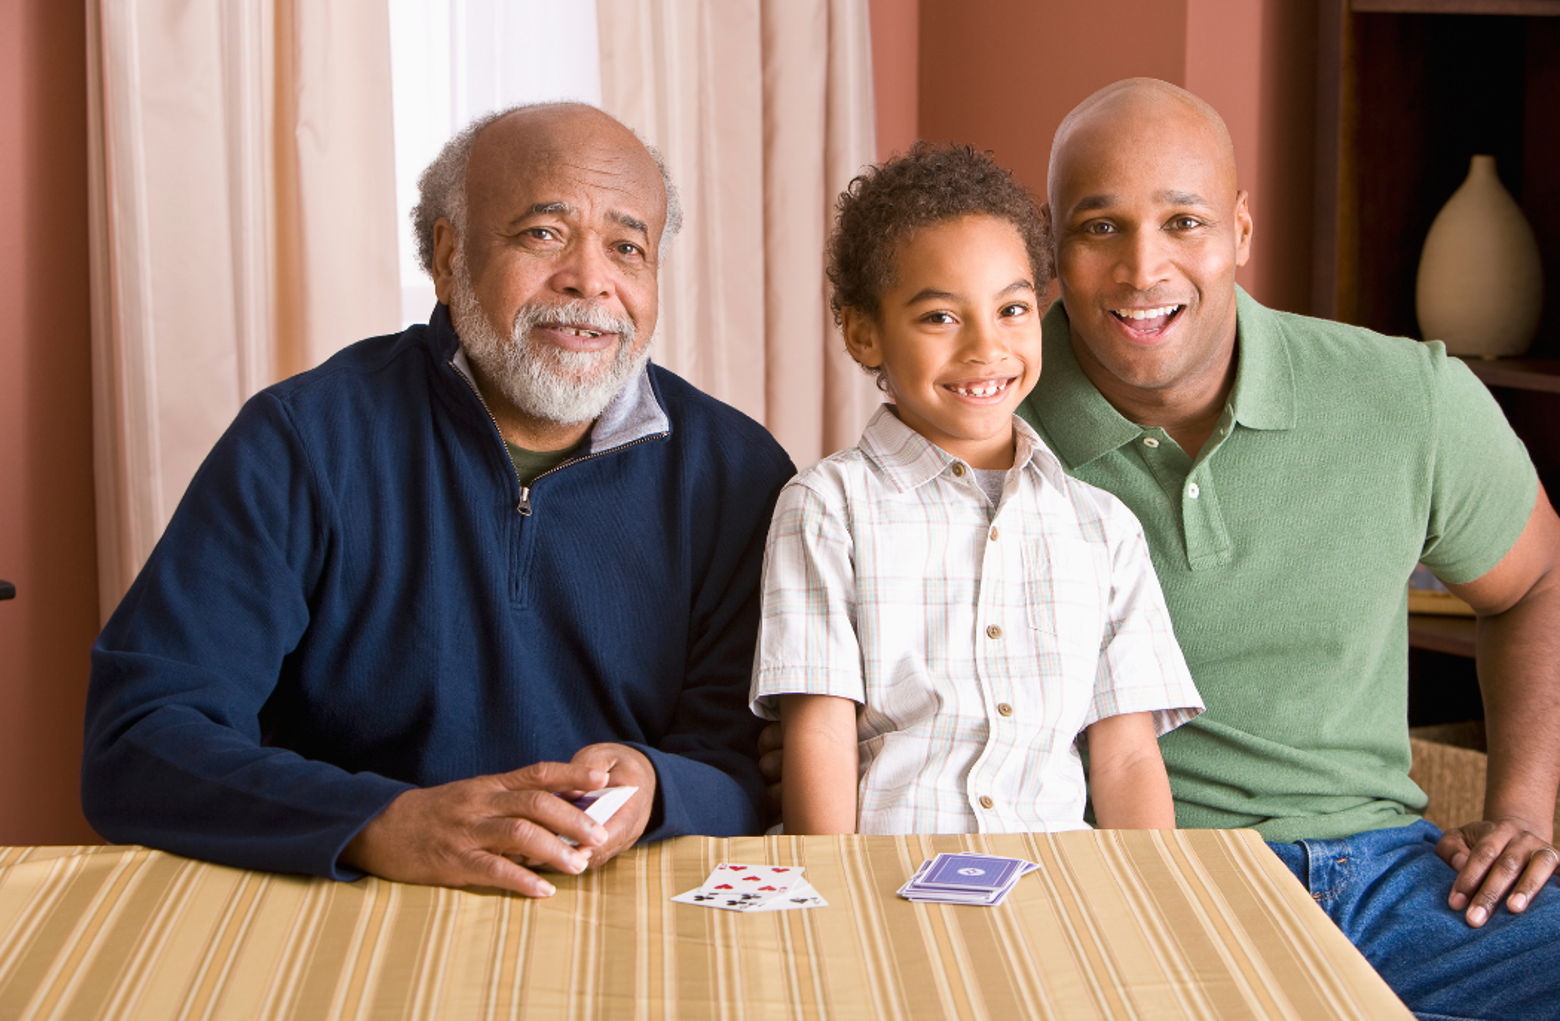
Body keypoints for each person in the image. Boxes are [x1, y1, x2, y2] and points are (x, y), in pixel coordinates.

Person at [82, 103, 796, 898]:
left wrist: (661, 785)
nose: (590, 281)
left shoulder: (738, 472)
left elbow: (753, 759)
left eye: (628, 247)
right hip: (351, 901)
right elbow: (139, 739)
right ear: (449, 256)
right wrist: (385, 821)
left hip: (626, 904)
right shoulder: (302, 440)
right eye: (543, 234)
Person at [1010, 78, 1559, 1016]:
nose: (1145, 268)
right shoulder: (983, 425)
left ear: (1241, 232)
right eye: (1101, 227)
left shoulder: (1407, 397)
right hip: (1144, 884)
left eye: (1184, 222)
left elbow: (1535, 580)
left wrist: (1520, 809)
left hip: (1397, 884)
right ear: (1053, 243)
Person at [750, 143, 1202, 836]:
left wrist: (1147, 904)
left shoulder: (1102, 528)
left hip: (1052, 884)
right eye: (939, 317)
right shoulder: (826, 508)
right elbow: (820, 739)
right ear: (864, 333)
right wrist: (833, 902)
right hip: (886, 880)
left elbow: (1126, 760)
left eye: (1013, 310)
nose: (986, 348)